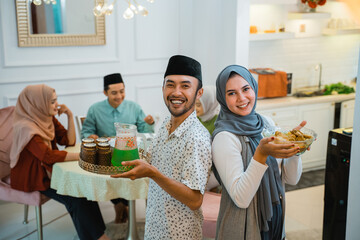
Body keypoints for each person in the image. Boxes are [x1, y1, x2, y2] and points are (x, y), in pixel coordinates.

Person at [111, 55, 212, 239]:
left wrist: (152, 173)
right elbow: (155, 158)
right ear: (163, 88)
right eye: (170, 84)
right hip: (155, 226)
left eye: (185, 86)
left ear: (199, 93)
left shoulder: (196, 137)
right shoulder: (167, 123)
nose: (176, 92)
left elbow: (195, 200)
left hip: (178, 234)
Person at [211, 65, 306, 240]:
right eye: (231, 93)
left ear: (254, 88)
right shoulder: (225, 137)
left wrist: (295, 147)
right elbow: (241, 198)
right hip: (245, 226)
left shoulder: (267, 123)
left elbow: (291, 179)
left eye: (246, 89)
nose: (241, 98)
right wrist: (260, 154)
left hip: (275, 215)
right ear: (222, 98)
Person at [9, 84, 109, 240]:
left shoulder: (46, 118)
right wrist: (83, 155)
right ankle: (99, 237)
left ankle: (98, 235)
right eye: (52, 102)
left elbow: (68, 141)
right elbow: (47, 156)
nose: (57, 105)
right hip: (35, 177)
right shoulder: (26, 128)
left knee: (83, 190)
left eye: (56, 100)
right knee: (75, 199)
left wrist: (69, 115)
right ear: (38, 103)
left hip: (50, 171)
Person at [81, 73, 155, 223]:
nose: (119, 96)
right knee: (111, 172)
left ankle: (122, 205)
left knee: (134, 171)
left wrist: (149, 123)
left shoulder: (134, 107)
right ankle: (121, 204)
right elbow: (86, 132)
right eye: (114, 93)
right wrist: (94, 137)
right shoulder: (95, 109)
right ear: (105, 93)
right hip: (107, 156)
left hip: (130, 153)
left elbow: (145, 132)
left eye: (122, 91)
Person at [195, 85, 220, 191]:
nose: (195, 109)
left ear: (209, 104)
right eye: (194, 104)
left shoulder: (218, 123)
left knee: (196, 186)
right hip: (202, 165)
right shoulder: (198, 119)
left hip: (216, 169)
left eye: (198, 105)